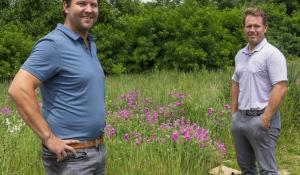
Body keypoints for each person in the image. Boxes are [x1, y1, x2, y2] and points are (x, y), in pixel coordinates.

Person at [8, 0, 106, 174]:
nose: (89, 10)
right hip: (71, 157)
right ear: (66, 6)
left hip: (97, 152)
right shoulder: (53, 44)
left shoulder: (90, 44)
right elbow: (18, 88)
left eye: (94, 5)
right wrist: (48, 138)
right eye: (82, 3)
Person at [230, 7, 288, 175]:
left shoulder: (272, 54)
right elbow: (235, 83)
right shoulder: (240, 54)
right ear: (244, 28)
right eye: (249, 26)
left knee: (267, 170)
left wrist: (266, 118)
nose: (252, 30)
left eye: (257, 26)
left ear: (265, 28)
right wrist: (234, 114)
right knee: (246, 168)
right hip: (240, 119)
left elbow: (281, 87)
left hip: (262, 120)